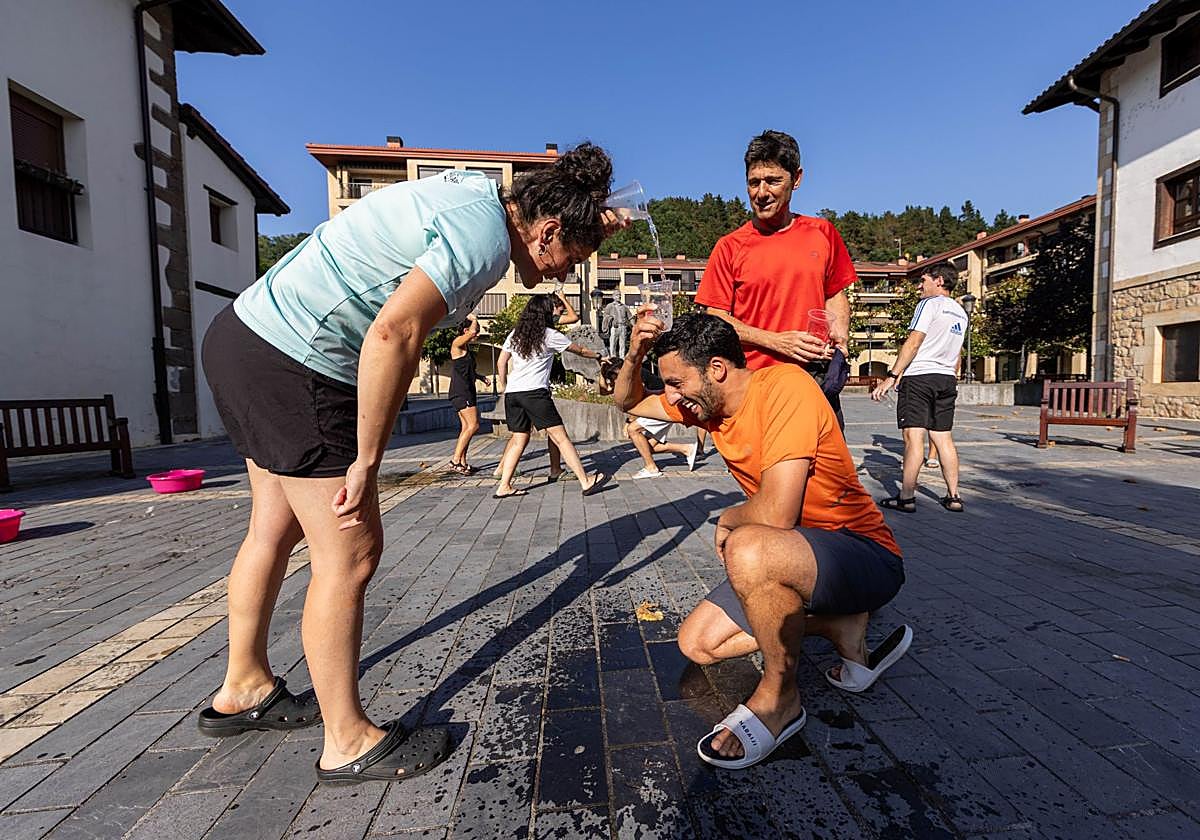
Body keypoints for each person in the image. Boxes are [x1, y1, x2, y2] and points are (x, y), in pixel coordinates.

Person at [198, 143, 624, 784]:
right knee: (352, 552)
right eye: (571, 259)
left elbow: (539, 207)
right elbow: (393, 334)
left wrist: (590, 212)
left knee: (273, 529)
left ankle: (243, 687)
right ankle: (347, 740)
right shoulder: (483, 239)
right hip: (295, 365)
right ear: (547, 230)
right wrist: (368, 460)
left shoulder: (482, 196)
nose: (564, 275)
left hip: (244, 335)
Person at [614, 313, 910, 770]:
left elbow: (776, 513)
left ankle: (780, 697)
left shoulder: (785, 388)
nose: (670, 397)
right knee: (698, 644)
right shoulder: (705, 405)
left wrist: (727, 521)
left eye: (675, 383)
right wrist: (635, 352)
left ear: (716, 369)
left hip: (862, 552)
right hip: (797, 551)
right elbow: (627, 402)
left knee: (748, 547)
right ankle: (838, 625)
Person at [695, 130, 856, 425]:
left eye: (773, 181)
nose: (761, 192)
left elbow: (835, 294)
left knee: (830, 472)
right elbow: (715, 318)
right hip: (757, 387)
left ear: (797, 179)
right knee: (766, 472)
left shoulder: (823, 233)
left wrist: (841, 341)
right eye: (754, 182)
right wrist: (777, 342)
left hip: (815, 383)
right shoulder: (729, 246)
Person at [871, 263, 967, 513]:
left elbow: (914, 341)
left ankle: (906, 497)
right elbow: (958, 354)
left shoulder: (929, 304)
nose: (919, 286)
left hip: (920, 378)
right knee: (943, 437)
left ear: (939, 281)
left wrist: (893, 375)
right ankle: (954, 496)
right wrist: (951, 376)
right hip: (946, 379)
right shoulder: (961, 312)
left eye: (923, 280)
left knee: (914, 438)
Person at [494, 294, 607, 498]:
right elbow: (580, 350)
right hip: (535, 393)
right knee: (561, 438)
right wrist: (599, 356)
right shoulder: (549, 335)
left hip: (513, 394)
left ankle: (504, 485)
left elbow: (501, 362)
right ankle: (585, 480)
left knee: (519, 440)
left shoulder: (515, 334)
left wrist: (503, 386)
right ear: (546, 313)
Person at [447, 314, 489, 475]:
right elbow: (471, 333)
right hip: (461, 392)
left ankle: (463, 462)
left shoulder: (467, 349)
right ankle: (455, 461)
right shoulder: (457, 343)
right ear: (466, 330)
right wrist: (474, 319)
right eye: (475, 331)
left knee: (466, 427)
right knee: (474, 425)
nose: (477, 334)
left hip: (466, 391)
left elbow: (465, 369)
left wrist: (480, 377)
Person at [625, 415, 704, 478]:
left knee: (632, 429)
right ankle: (687, 449)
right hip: (663, 410)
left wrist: (629, 421)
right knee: (646, 447)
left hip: (660, 410)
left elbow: (639, 401)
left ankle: (651, 468)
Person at [601, 294, 630, 359]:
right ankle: (613, 357)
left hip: (623, 326)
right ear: (613, 297)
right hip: (614, 327)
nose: (619, 296)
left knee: (623, 343)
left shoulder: (624, 306)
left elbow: (630, 316)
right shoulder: (610, 306)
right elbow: (605, 315)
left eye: (620, 295)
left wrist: (634, 326)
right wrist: (611, 319)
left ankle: (622, 357)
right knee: (613, 342)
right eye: (617, 295)